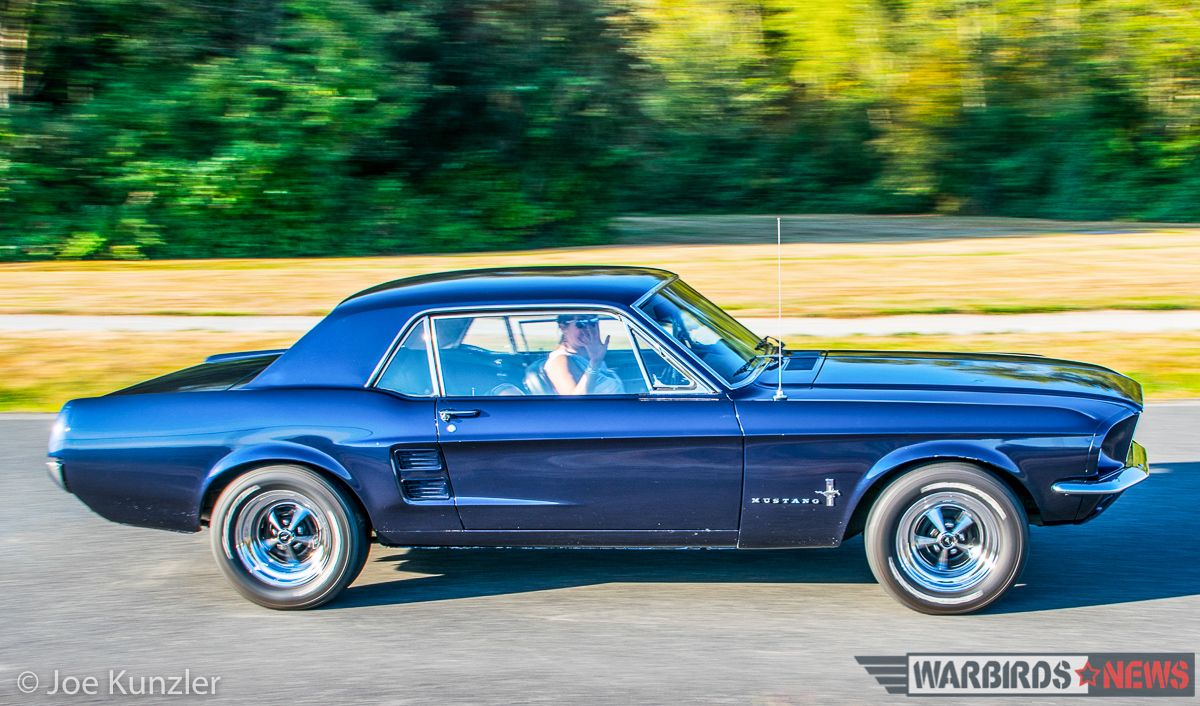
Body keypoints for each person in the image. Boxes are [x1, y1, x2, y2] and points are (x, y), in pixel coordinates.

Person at [545, 314, 625, 395]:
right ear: (564, 328)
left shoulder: (586, 357)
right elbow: (575, 403)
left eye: (593, 322)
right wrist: (595, 363)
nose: (588, 328)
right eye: (581, 323)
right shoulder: (560, 360)